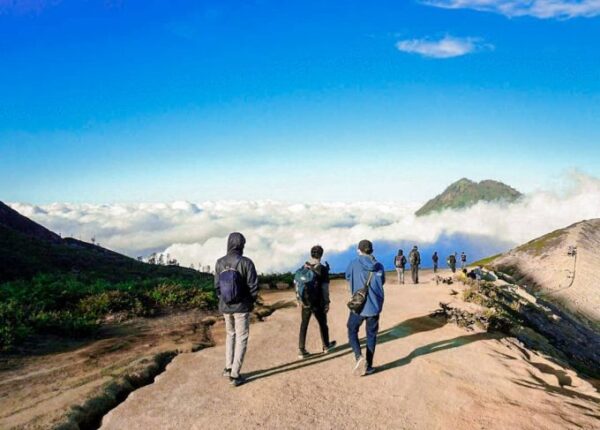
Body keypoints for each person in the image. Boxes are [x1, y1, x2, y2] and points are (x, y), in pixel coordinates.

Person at [214, 232, 258, 387]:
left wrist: (224, 300)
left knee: (230, 335)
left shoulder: (219, 262)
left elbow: (217, 287)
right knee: (242, 337)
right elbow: (253, 287)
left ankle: (228, 367)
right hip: (242, 307)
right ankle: (235, 374)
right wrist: (250, 302)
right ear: (241, 245)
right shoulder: (246, 262)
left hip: (225, 307)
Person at [346, 240, 385, 376]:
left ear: (359, 250)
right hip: (374, 307)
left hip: (359, 306)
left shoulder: (353, 263)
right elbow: (382, 282)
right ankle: (368, 365)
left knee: (352, 329)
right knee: (371, 335)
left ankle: (359, 357)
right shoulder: (379, 266)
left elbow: (347, 277)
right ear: (372, 250)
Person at [297, 245, 337, 359]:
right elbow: (325, 288)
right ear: (321, 254)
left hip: (305, 301)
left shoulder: (304, 267)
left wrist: (299, 299)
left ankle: (301, 349)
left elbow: (298, 284)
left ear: (311, 254)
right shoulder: (322, 269)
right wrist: (327, 302)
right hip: (318, 301)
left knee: (304, 324)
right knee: (323, 324)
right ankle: (326, 345)